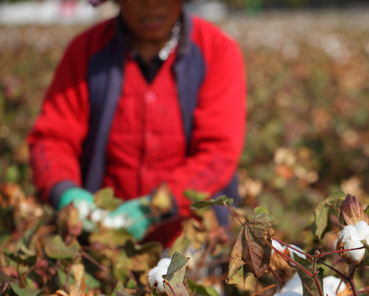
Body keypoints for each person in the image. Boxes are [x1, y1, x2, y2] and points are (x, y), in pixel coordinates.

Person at [27, 0, 246, 247]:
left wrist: (156, 206)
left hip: (192, 245)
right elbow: (53, 138)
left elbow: (219, 152)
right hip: (101, 243)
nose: (151, 4)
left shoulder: (216, 50)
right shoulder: (85, 51)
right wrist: (65, 191)